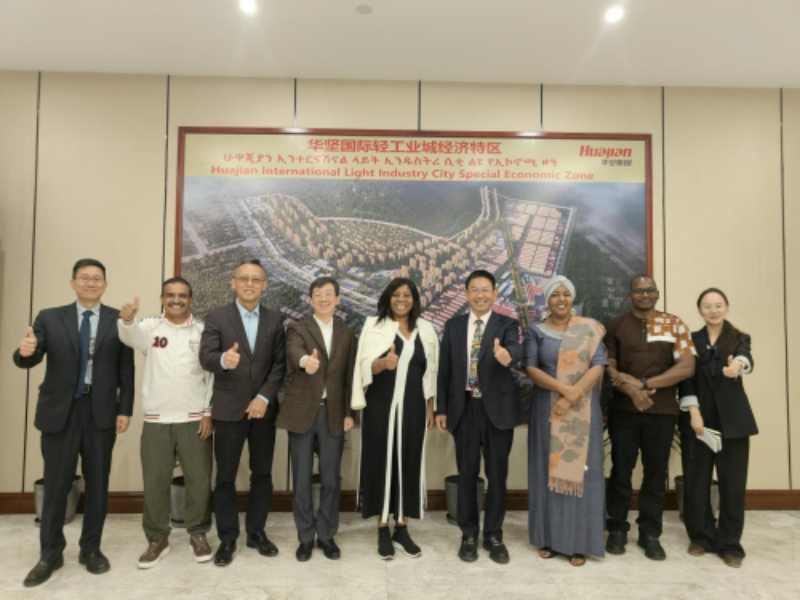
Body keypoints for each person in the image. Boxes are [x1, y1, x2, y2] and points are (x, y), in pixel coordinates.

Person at [12, 258, 135, 587]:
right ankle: (50, 553)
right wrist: (25, 351)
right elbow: (30, 357)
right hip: (60, 413)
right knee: (56, 486)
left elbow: (126, 370)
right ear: (73, 283)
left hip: (101, 413)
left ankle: (91, 549)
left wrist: (125, 409)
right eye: (84, 277)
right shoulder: (50, 318)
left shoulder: (117, 320)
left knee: (98, 485)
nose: (91, 283)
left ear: (105, 284)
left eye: (97, 278)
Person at [117, 277, 214, 568]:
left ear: (190, 299)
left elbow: (210, 375)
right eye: (170, 295)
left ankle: (198, 533)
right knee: (155, 482)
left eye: (182, 295)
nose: (176, 300)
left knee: (199, 481)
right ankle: (157, 538)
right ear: (162, 298)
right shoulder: (149, 327)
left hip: (194, 419)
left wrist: (207, 412)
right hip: (157, 419)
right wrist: (127, 320)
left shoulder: (202, 331)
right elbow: (130, 337)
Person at [199, 259, 286, 566]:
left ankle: (257, 533)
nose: (250, 284)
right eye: (244, 278)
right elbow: (206, 357)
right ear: (233, 282)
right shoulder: (216, 317)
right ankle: (227, 537)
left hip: (263, 411)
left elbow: (280, 364)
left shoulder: (275, 319)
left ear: (264, 285)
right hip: (228, 409)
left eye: (256, 279)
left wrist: (264, 397)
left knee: (262, 474)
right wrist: (224, 359)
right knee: (225, 476)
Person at [604, 275, 696, 560]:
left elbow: (687, 367)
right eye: (639, 291)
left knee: (656, 474)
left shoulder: (673, 323)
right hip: (624, 411)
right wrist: (630, 390)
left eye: (650, 290)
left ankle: (650, 533)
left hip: (662, 411)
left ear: (657, 294)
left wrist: (645, 384)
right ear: (630, 295)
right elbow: (608, 366)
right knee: (621, 471)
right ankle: (617, 529)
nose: (644, 294)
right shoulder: (617, 325)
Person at [435, 269, 523, 564]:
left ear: (495, 294)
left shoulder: (507, 324)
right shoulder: (454, 326)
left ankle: (493, 535)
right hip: (465, 410)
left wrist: (507, 356)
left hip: (497, 411)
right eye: (475, 289)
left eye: (486, 289)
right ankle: (469, 535)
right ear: (467, 293)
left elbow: (515, 349)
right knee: (467, 475)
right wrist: (442, 409)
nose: (480, 295)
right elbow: (444, 371)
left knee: (497, 476)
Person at [351, 277, 439, 560]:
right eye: (396, 295)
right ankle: (381, 527)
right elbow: (362, 367)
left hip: (414, 406)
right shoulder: (373, 326)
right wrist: (382, 364)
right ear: (388, 298)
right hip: (380, 406)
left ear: (414, 300)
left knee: (409, 461)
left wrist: (430, 407)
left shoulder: (426, 329)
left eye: (407, 295)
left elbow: (431, 371)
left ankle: (401, 527)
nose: (402, 300)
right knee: (380, 461)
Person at [524, 276, 607, 566]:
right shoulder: (536, 330)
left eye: (566, 294)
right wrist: (564, 390)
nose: (561, 299)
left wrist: (573, 395)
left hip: (583, 410)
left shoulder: (589, 328)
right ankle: (548, 538)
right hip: (546, 409)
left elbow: (599, 364)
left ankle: (578, 543)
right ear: (547, 300)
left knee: (582, 472)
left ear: (572, 298)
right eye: (555, 294)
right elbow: (531, 368)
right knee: (547, 472)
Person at [277, 277, 356, 562]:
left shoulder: (347, 332)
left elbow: (349, 376)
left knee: (331, 478)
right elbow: (293, 351)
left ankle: (326, 535)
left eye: (328, 294)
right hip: (302, 412)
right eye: (318, 294)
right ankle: (305, 537)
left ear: (337, 300)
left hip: (333, 413)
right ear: (310, 299)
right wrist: (305, 362)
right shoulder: (298, 327)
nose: (323, 299)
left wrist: (349, 413)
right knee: (300, 479)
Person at [679, 288, 757, 568]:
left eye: (718, 305)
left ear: (726, 307)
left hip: (733, 421)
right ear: (700, 310)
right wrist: (694, 413)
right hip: (699, 420)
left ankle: (730, 544)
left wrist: (737, 366)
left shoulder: (739, 337)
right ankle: (701, 537)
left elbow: (745, 358)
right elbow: (686, 378)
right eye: (707, 306)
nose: (713, 310)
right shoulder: (691, 339)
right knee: (696, 481)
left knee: (733, 484)